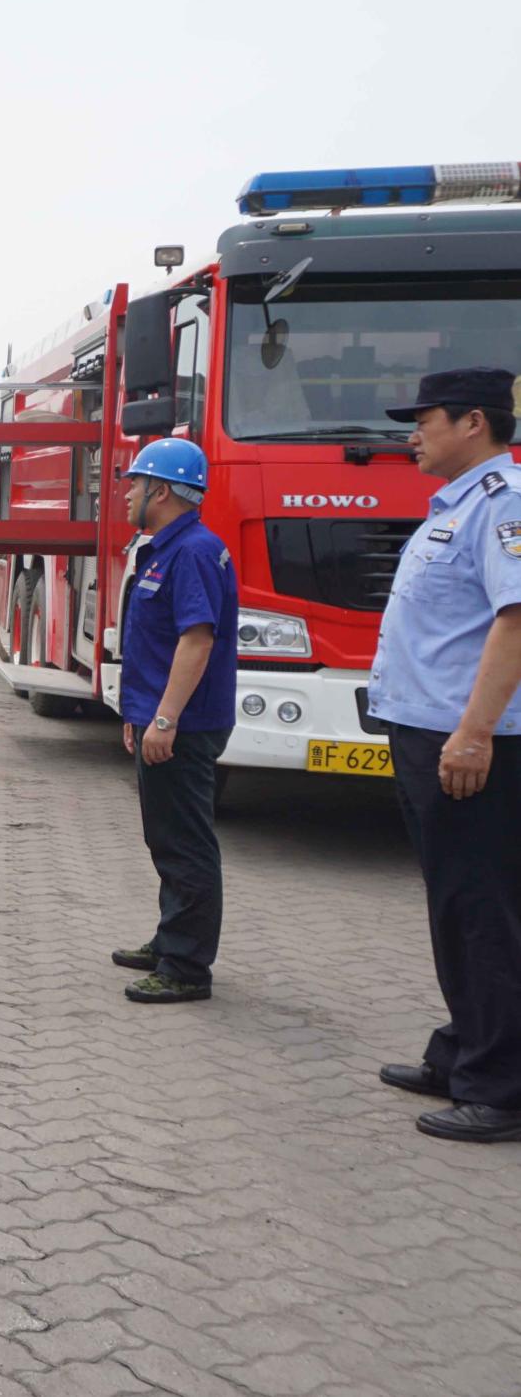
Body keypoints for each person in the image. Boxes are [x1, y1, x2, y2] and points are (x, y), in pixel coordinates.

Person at [368, 366, 521, 1143]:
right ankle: (464, 1052)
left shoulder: (503, 507)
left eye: (423, 419)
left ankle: (499, 1089)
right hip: (424, 731)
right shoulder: (455, 508)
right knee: (453, 905)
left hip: (463, 740)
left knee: (483, 910)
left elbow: (516, 623)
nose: (412, 433)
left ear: (472, 423)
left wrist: (473, 734)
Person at [107, 438, 238, 1005]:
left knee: (185, 843)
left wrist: (165, 719)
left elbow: (196, 640)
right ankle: (170, 940)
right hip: (163, 718)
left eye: (135, 484)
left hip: (184, 724)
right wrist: (141, 714)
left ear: (160, 491)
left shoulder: (193, 553)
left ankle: (185, 967)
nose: (127, 493)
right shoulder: (166, 548)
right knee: (166, 836)